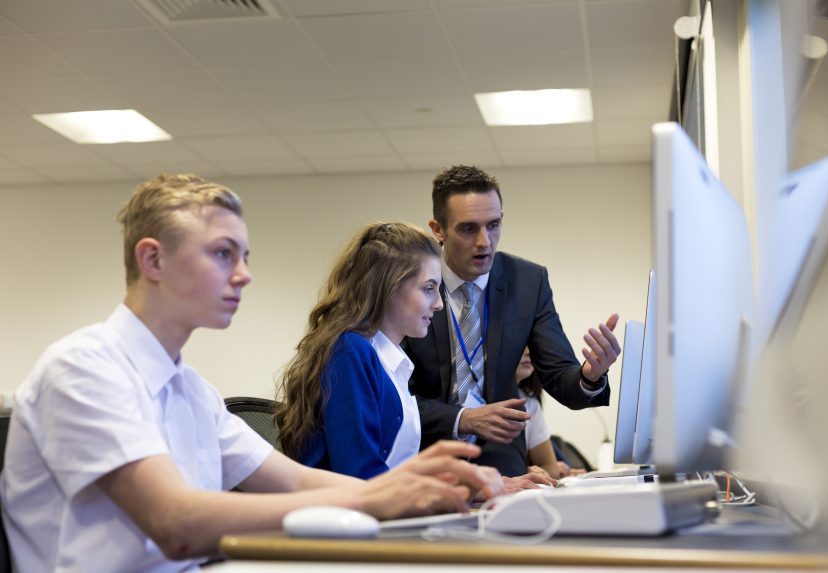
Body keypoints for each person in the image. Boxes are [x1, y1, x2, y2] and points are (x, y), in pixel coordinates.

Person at [0, 175, 501, 573]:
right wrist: (382, 497)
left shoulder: (192, 390)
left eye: (244, 257)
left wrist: (416, 487)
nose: (244, 274)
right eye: (223, 254)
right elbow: (175, 524)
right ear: (152, 259)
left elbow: (293, 482)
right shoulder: (84, 367)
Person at [404, 165, 621, 477]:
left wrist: (590, 375)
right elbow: (396, 396)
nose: (485, 242)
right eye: (468, 229)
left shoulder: (528, 282)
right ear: (438, 229)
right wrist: (462, 418)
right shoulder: (411, 281)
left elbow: (559, 375)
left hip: (503, 458)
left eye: (493, 225)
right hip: (426, 455)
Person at [273, 222, 444, 478]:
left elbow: (387, 474)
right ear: (388, 287)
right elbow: (359, 473)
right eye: (428, 289)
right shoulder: (350, 351)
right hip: (344, 514)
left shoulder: (387, 361)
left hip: (374, 511)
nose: (439, 304)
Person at [516, 348, 575, 480]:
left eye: (531, 345)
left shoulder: (530, 403)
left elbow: (551, 468)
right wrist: (518, 471)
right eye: (522, 344)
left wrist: (528, 472)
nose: (528, 352)